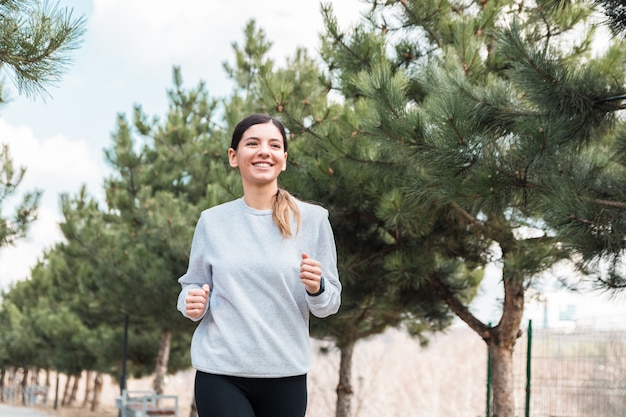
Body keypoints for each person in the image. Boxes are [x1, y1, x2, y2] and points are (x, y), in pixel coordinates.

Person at [177, 114, 341, 417]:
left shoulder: (314, 220)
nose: (264, 151)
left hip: (286, 374)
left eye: (274, 145)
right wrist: (192, 302)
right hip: (221, 373)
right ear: (233, 156)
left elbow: (328, 305)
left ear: (284, 159)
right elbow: (191, 286)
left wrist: (316, 287)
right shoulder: (212, 221)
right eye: (252, 143)